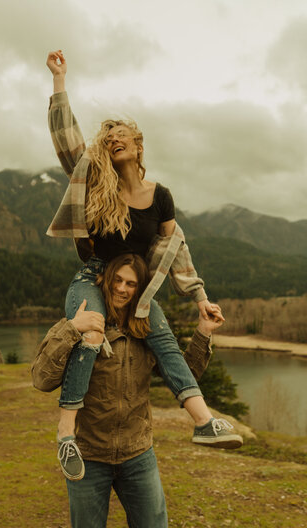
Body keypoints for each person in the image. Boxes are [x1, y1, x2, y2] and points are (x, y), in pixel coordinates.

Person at [45, 50, 240, 481]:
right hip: (94, 278)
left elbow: (177, 249)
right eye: (108, 136)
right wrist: (60, 81)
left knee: (166, 342)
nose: (113, 140)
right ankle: (66, 437)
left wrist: (201, 299)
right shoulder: (96, 183)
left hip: (137, 288)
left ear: (138, 145)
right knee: (90, 330)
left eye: (121, 136)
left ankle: (205, 423)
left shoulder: (161, 196)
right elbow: (65, 140)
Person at [32, 253, 240, 528]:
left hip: (138, 457)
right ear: (104, 279)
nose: (122, 289)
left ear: (140, 289)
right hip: (88, 459)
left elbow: (179, 374)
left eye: (131, 283)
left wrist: (203, 333)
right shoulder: (81, 321)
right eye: (117, 280)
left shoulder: (147, 330)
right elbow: (41, 378)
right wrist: (71, 329)